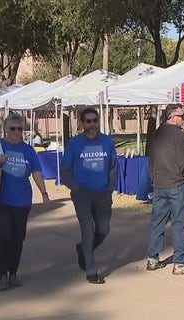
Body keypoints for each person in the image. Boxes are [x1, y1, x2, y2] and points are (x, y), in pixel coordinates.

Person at [0, 113, 50, 291]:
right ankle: (3, 274)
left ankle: (13, 273)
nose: (17, 132)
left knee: (18, 238)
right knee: (4, 235)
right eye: (13, 129)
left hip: (22, 200)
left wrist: (44, 192)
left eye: (20, 129)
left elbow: (36, 172)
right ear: (5, 129)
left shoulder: (28, 150)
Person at [61, 108, 117, 285]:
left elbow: (113, 166)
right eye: (88, 121)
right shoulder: (75, 143)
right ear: (82, 123)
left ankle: (84, 250)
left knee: (103, 229)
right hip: (82, 194)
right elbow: (65, 169)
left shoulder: (107, 142)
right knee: (87, 230)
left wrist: (110, 187)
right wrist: (75, 187)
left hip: (103, 193)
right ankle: (91, 270)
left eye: (94, 121)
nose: (92, 124)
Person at [146, 105, 184, 275]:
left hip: (160, 183)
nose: (183, 119)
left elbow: (151, 159)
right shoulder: (178, 135)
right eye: (181, 115)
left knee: (157, 223)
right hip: (176, 184)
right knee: (179, 224)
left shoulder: (158, 133)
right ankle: (179, 263)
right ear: (172, 116)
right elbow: (183, 161)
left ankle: (152, 258)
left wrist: (153, 177)